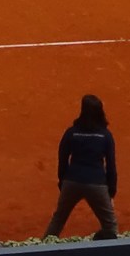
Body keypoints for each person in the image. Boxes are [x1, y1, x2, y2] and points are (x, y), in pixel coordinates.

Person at [43, 95, 118, 240]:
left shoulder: (71, 132)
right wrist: (111, 191)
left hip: (72, 181)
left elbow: (63, 158)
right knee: (110, 226)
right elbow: (111, 165)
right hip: (97, 183)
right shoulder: (105, 135)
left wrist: (63, 181)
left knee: (58, 220)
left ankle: (43, 249)